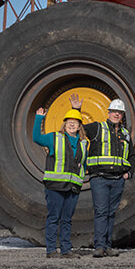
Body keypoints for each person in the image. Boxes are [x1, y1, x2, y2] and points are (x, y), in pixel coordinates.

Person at [69, 95, 134, 258]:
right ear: (108, 112)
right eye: (114, 111)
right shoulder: (98, 127)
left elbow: (132, 156)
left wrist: (129, 172)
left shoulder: (125, 134)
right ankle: (99, 246)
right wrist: (77, 110)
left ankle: (107, 245)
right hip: (100, 178)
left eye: (119, 112)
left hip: (118, 179)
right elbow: (79, 128)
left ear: (122, 115)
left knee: (111, 213)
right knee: (101, 211)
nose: (116, 114)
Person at [33, 107, 87, 259]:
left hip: (73, 187)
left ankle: (66, 250)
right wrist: (39, 119)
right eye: (69, 122)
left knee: (67, 219)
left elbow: (83, 165)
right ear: (64, 124)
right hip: (55, 186)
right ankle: (51, 250)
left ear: (79, 126)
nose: (72, 125)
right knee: (54, 217)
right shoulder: (54, 138)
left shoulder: (83, 144)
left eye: (75, 122)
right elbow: (36, 138)